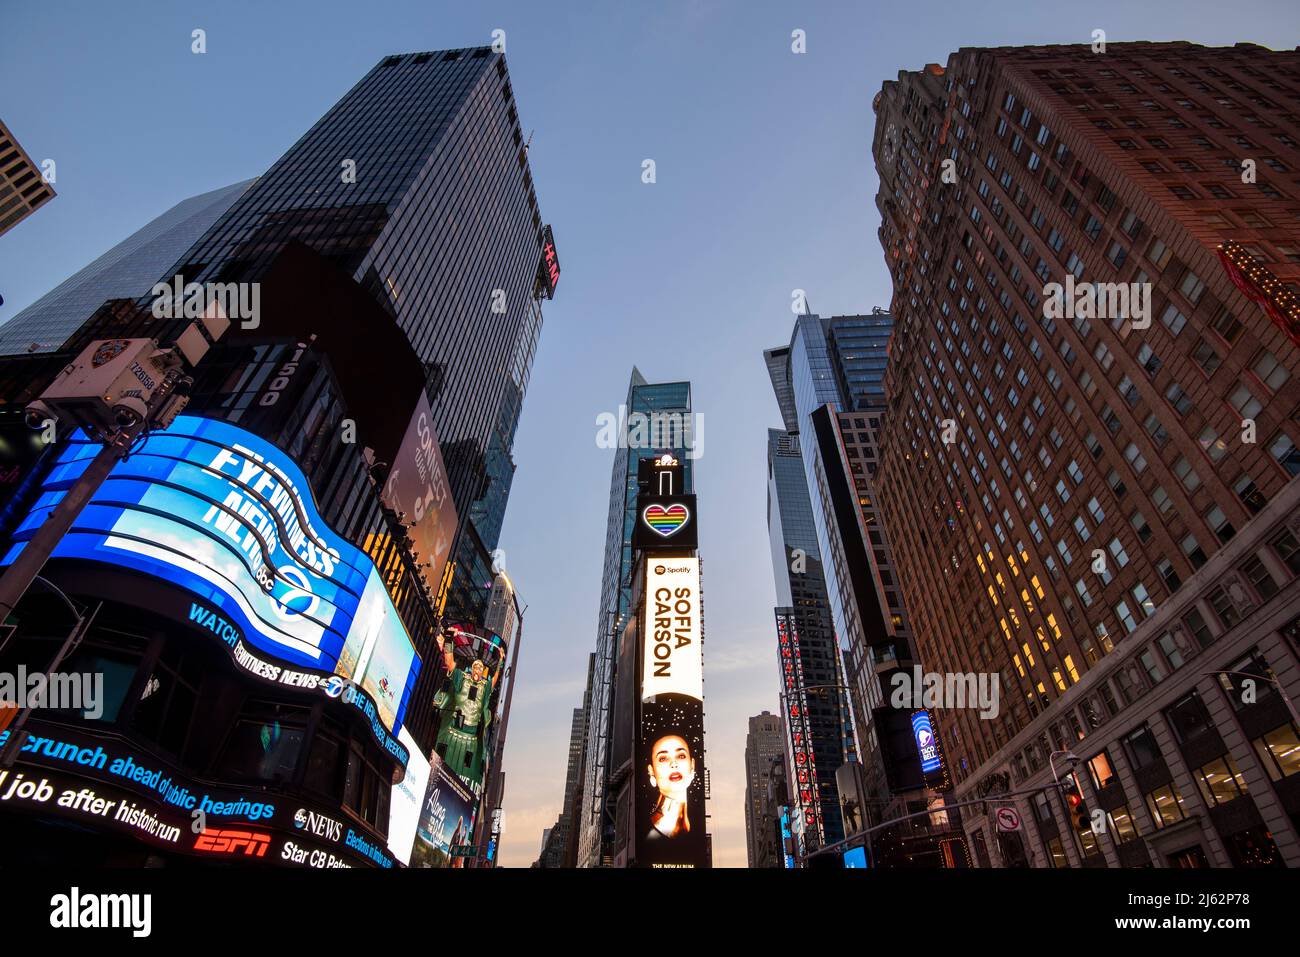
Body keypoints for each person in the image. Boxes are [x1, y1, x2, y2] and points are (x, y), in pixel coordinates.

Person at [646, 733, 695, 841]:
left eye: (681, 756)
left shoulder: (693, 826)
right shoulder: (652, 835)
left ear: (692, 766)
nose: (674, 764)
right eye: (663, 758)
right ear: (651, 771)